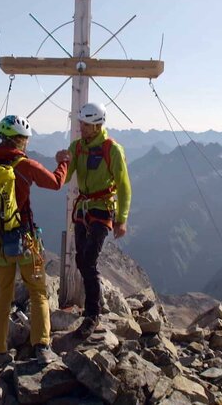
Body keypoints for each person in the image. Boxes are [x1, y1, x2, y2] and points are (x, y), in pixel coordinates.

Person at [0, 115, 69, 365]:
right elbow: (56, 183)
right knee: (38, 291)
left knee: (3, 295)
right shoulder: (24, 165)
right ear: (21, 139)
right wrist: (63, 162)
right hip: (27, 241)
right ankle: (42, 347)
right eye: (26, 139)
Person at [59, 102, 131, 339]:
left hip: (102, 209)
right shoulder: (77, 147)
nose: (81, 127)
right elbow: (66, 177)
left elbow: (123, 186)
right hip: (83, 208)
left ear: (97, 126)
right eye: (81, 122)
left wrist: (121, 219)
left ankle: (93, 313)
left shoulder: (112, 150)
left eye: (85, 124)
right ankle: (92, 306)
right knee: (81, 258)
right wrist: (62, 162)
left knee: (88, 260)